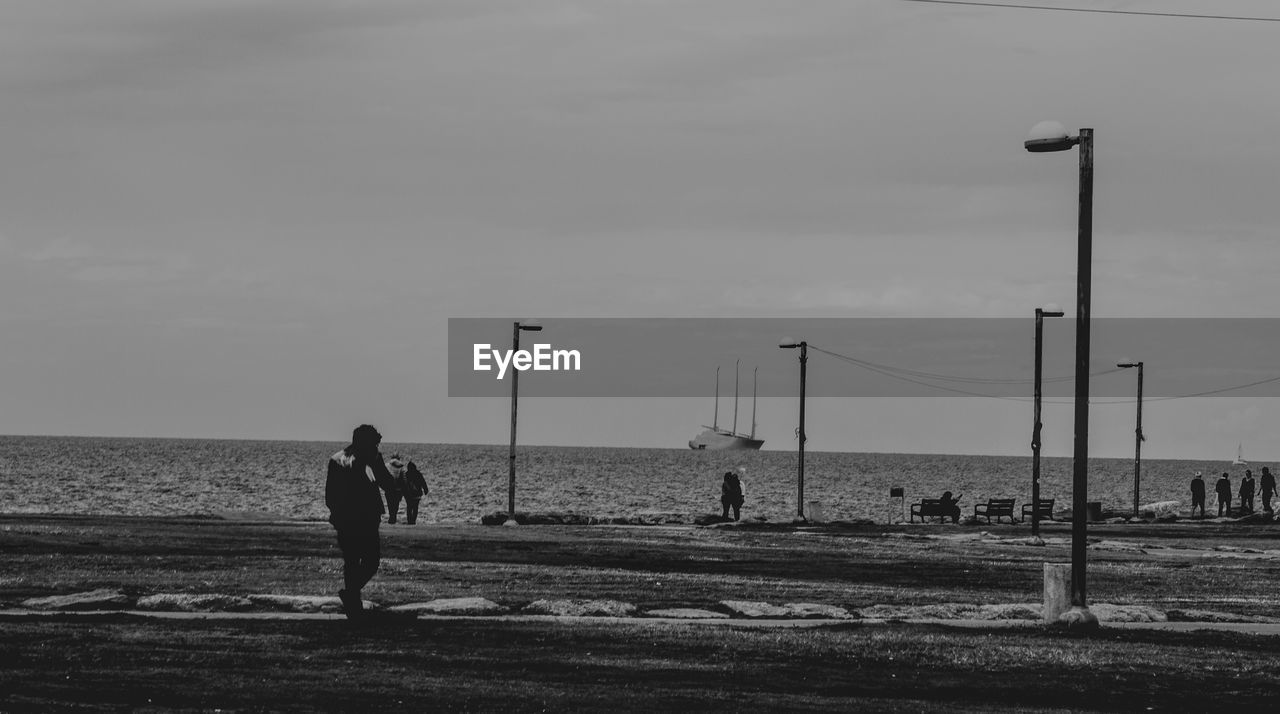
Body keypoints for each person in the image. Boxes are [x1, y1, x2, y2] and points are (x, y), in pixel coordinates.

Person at [325, 424, 397, 619]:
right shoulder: (370, 459)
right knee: (370, 561)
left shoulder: (336, 460)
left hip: (345, 519)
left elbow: (329, 495)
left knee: (351, 561)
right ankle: (352, 598)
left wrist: (337, 514)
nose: (377, 447)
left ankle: (353, 602)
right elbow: (385, 481)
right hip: (364, 518)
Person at [401, 460, 430, 525]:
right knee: (415, 508)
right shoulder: (418, 474)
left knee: (409, 507)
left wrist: (402, 493)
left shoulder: (406, 474)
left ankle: (409, 520)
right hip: (417, 494)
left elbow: (403, 485)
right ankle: (413, 520)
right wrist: (425, 490)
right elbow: (423, 482)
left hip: (408, 495)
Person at [383, 454, 406, 524]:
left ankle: (391, 517)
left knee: (390, 504)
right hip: (398, 489)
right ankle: (394, 517)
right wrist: (404, 489)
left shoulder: (387, 465)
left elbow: (383, 476)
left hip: (388, 489)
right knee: (396, 505)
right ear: (399, 459)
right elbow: (404, 479)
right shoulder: (401, 467)